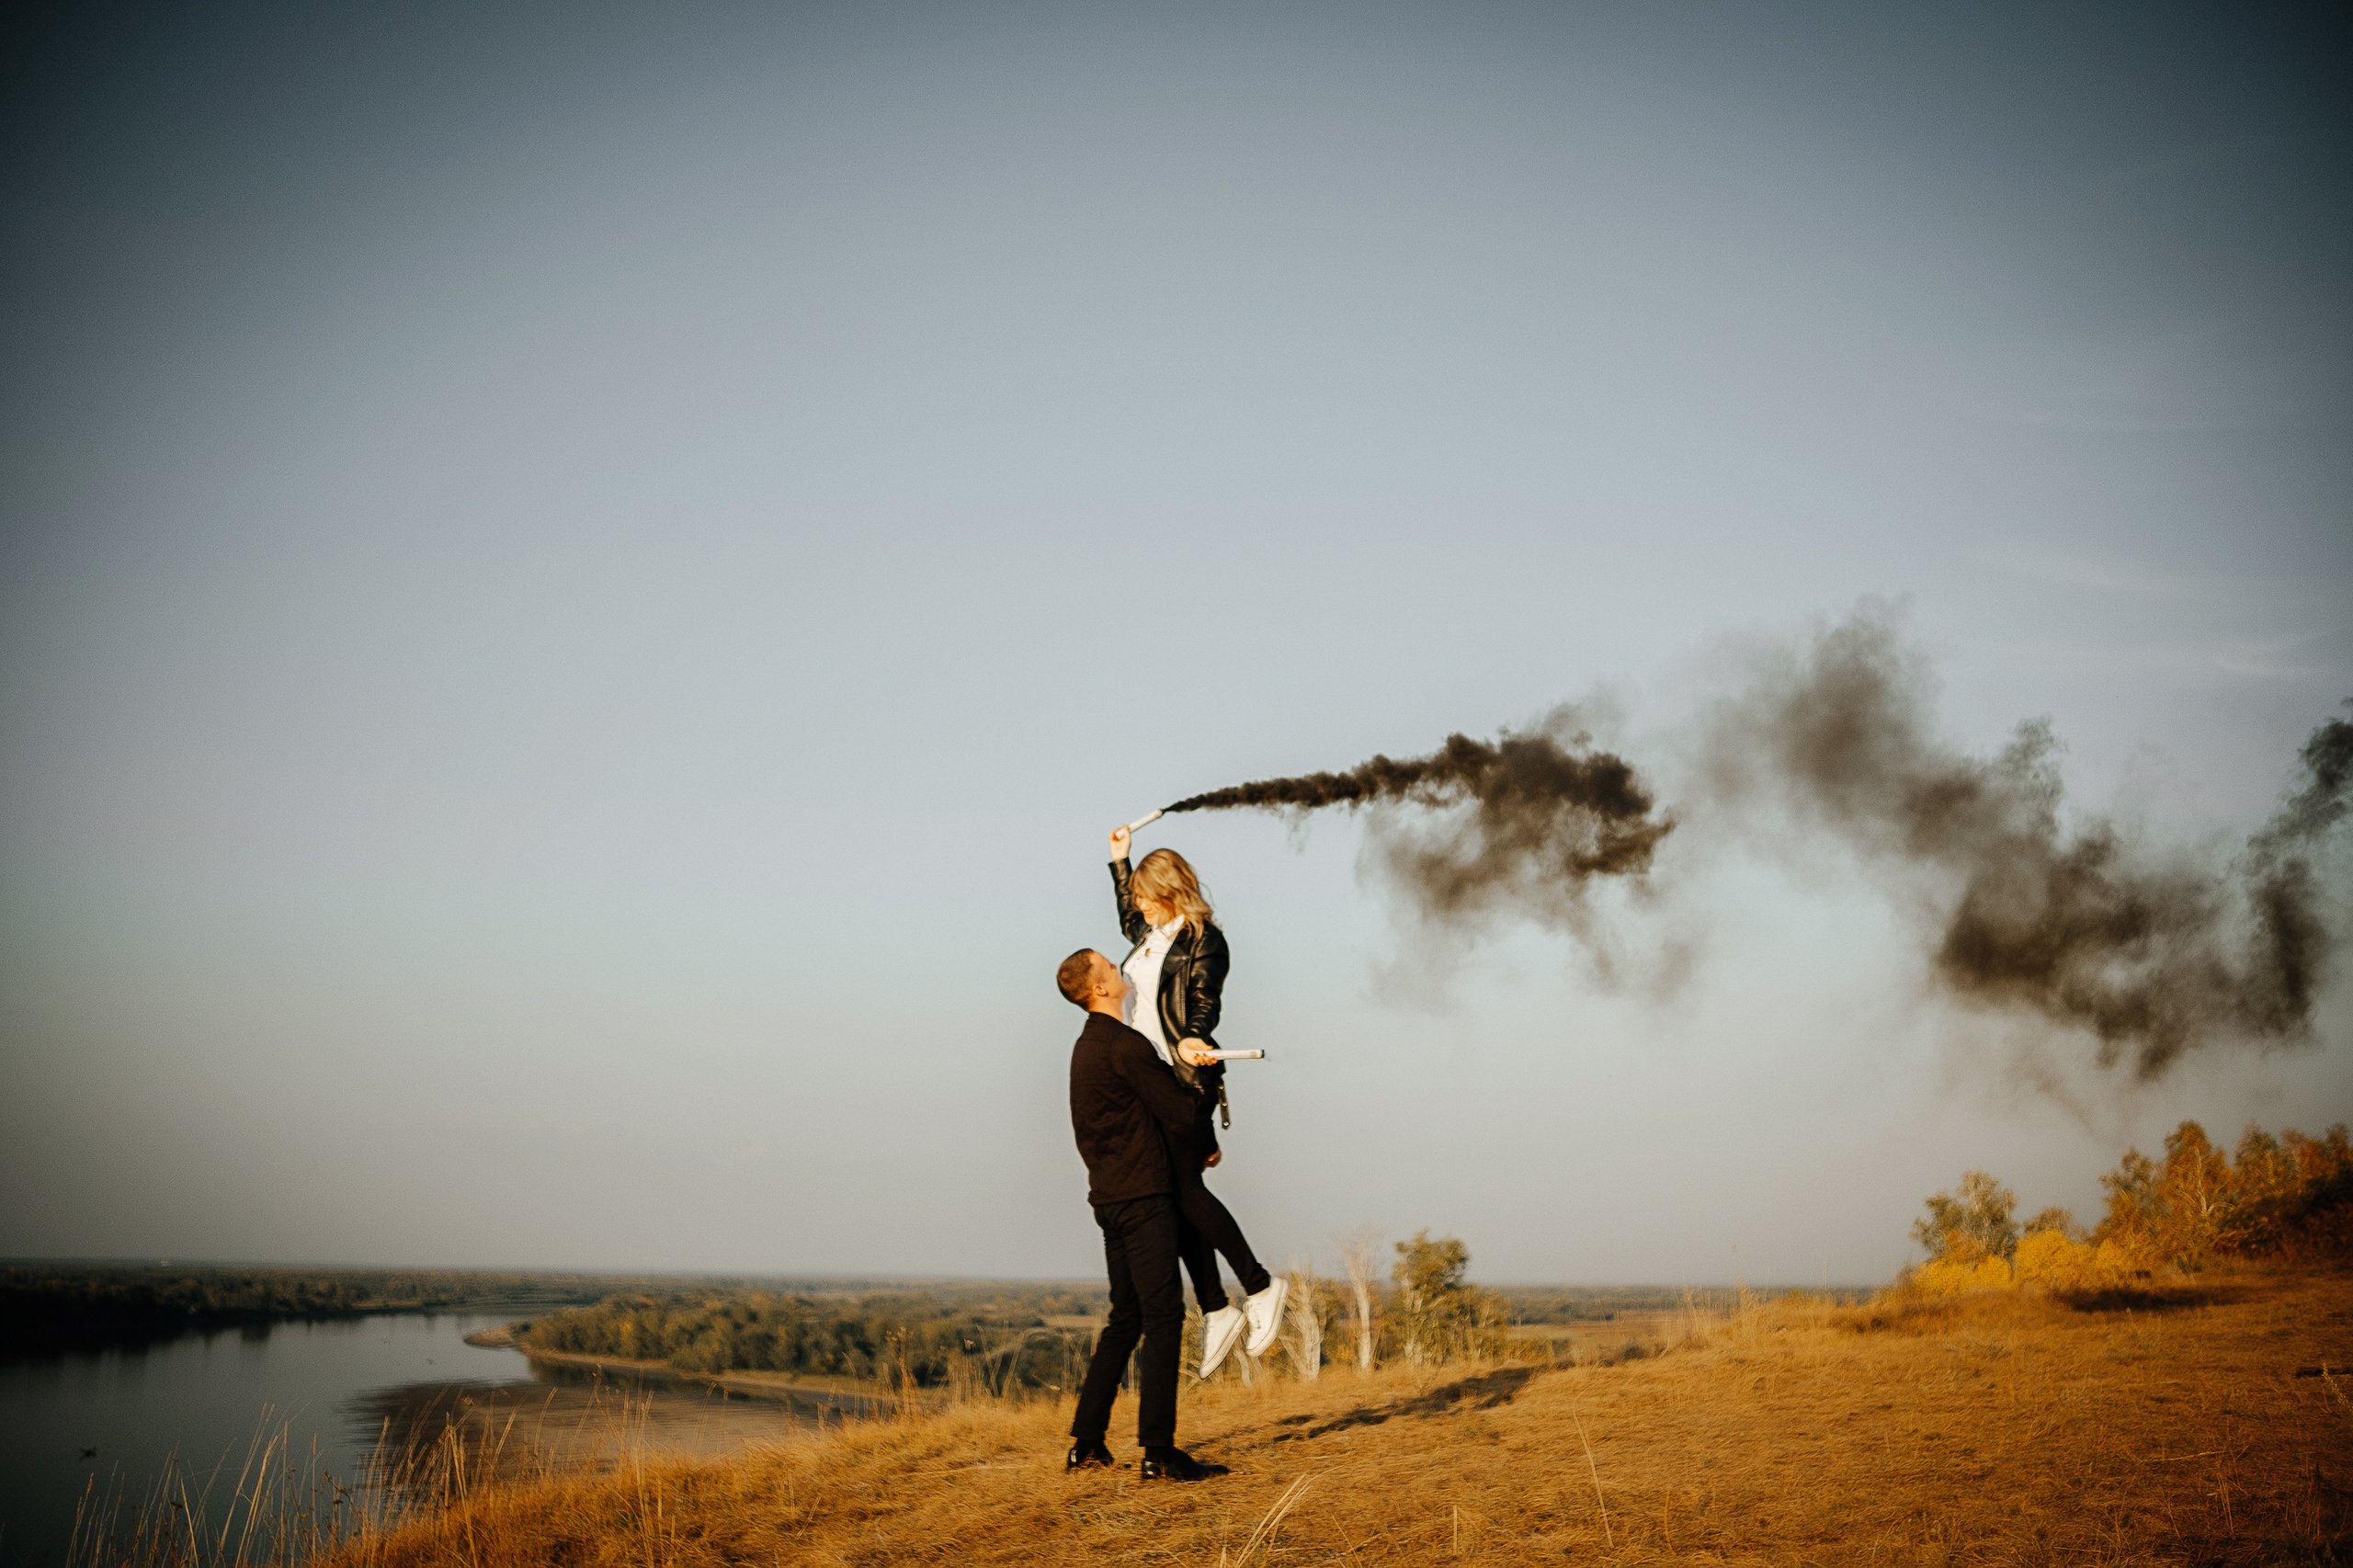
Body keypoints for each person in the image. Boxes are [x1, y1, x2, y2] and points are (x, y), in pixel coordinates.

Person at [1106, 825, 1288, 1380]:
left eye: (1143, 894)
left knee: (1181, 1190)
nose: (1136, 905)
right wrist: (1119, 859)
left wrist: (1194, 1036)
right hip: (1147, 1078)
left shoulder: (1204, 939)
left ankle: (1258, 1286)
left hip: (1184, 1076)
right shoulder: (1149, 932)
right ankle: (1217, 1306)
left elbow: (1205, 999)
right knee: (1170, 1193)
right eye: (1134, 896)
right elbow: (1124, 914)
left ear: (1168, 891)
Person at [1056, 946, 1226, 1482]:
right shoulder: (1126, 1046)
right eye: (1110, 966)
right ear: (1099, 989)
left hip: (1107, 1200)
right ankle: (1159, 1451)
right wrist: (1205, 1076)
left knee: (1125, 1319)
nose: (1120, 968)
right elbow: (1177, 1113)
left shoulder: (1086, 1049)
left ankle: (1087, 1443)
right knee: (1163, 1318)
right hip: (1144, 1200)